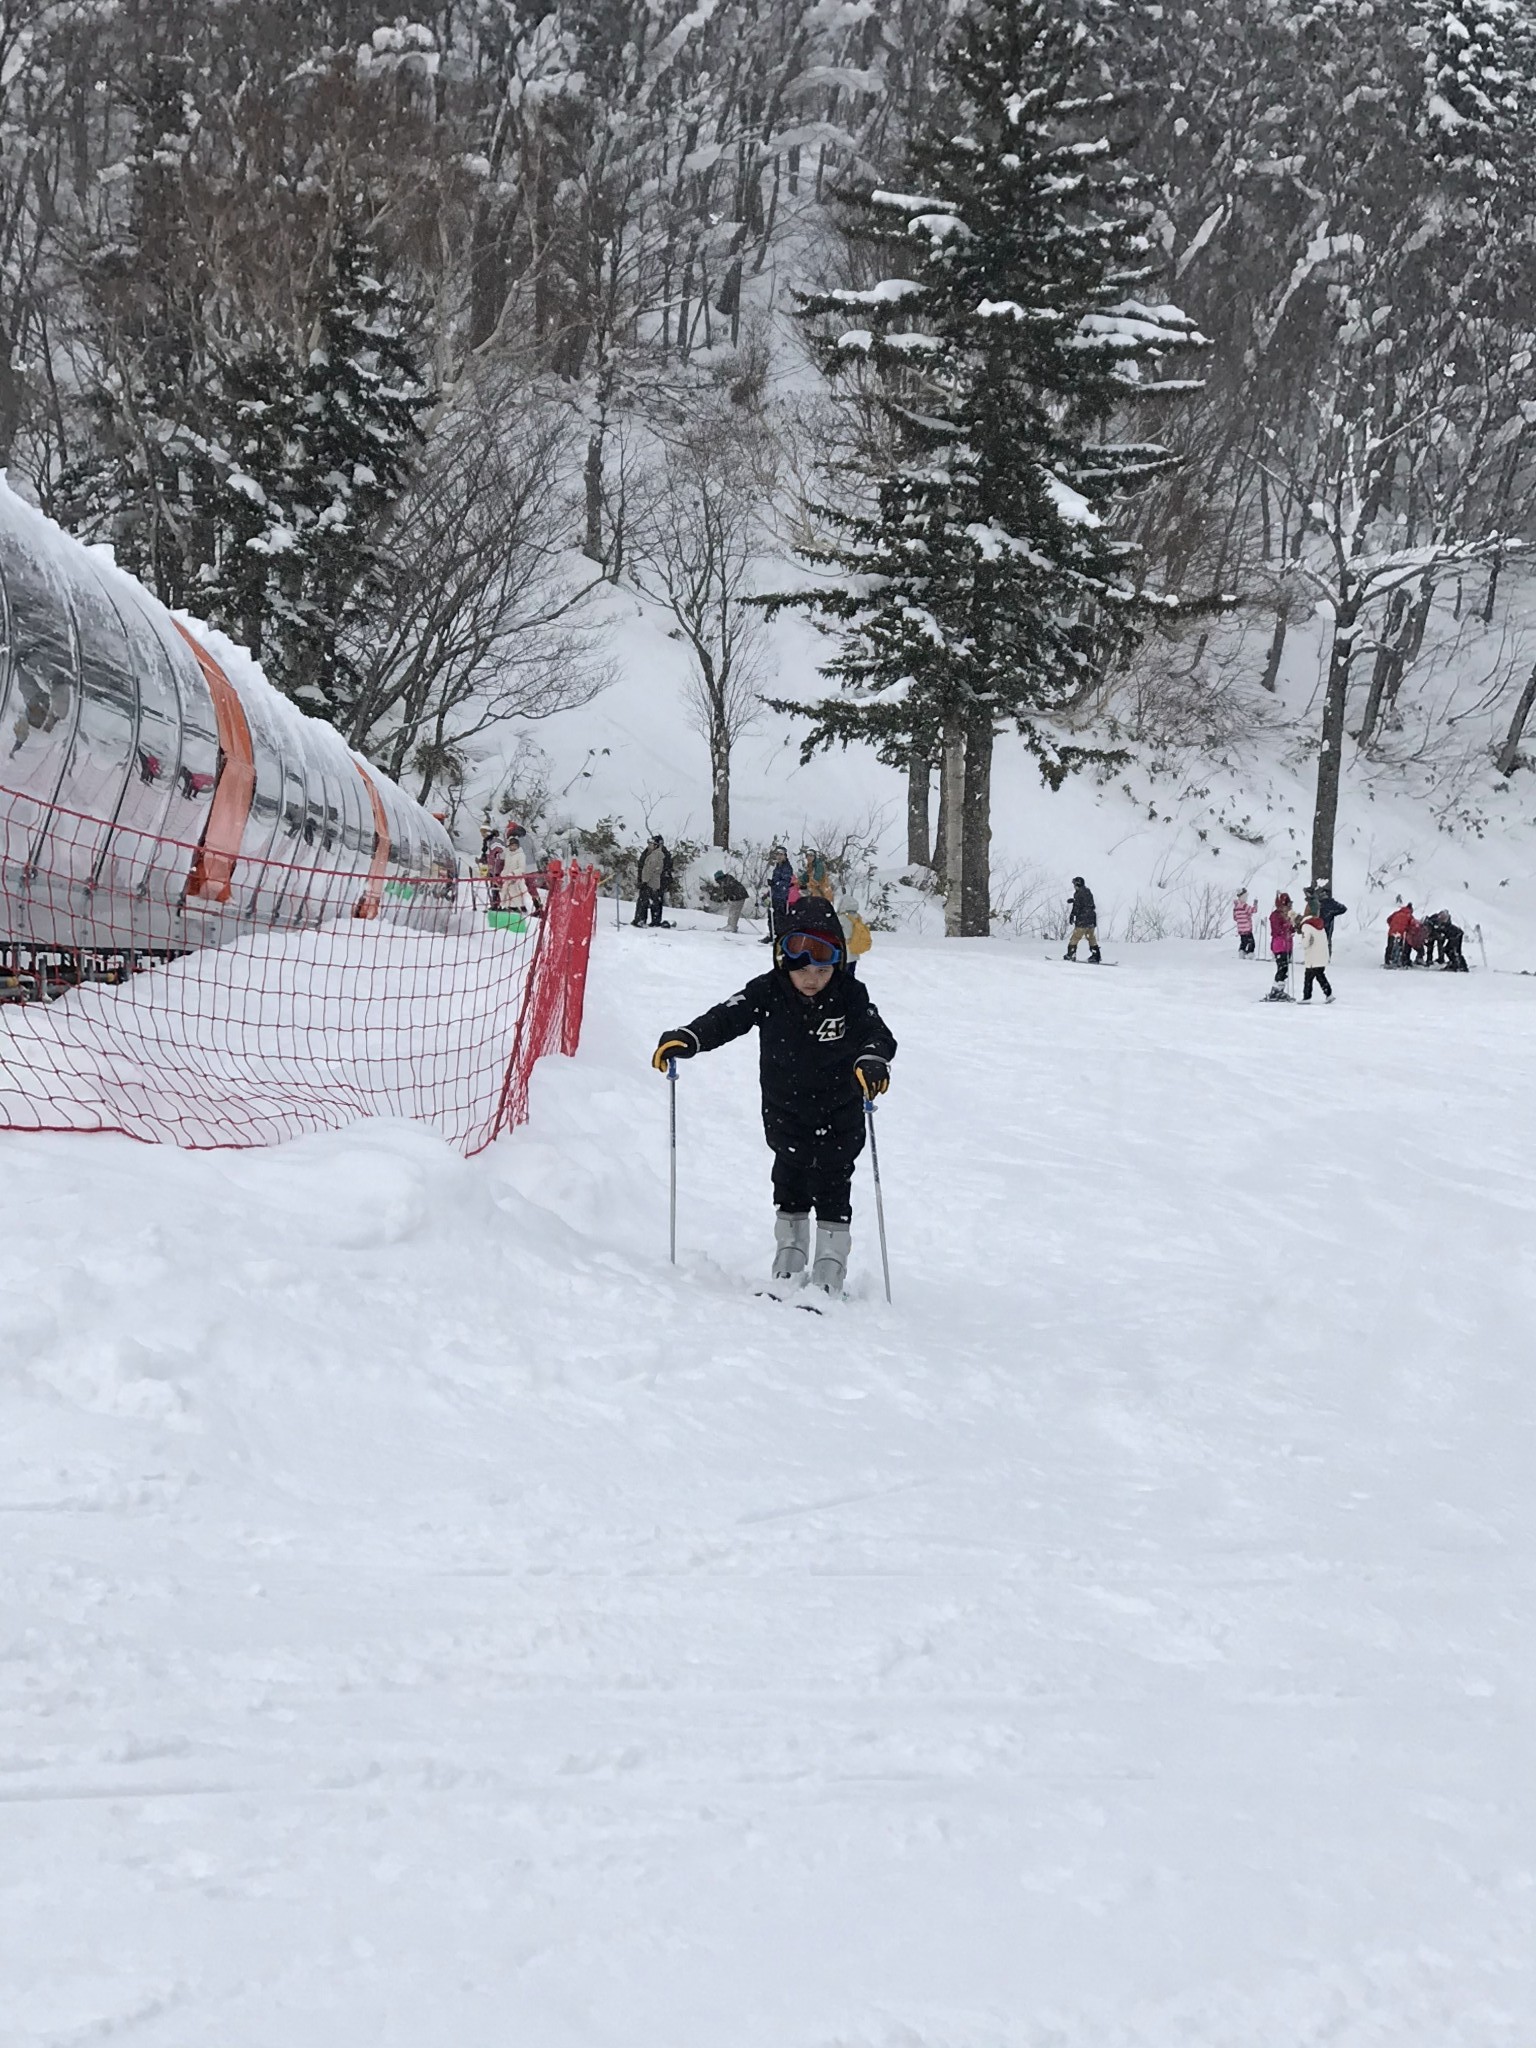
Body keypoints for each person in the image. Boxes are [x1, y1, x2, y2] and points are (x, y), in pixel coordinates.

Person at [651, 896, 896, 1298]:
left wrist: (872, 1059)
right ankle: (789, 1259)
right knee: (789, 1181)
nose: (812, 979)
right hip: (786, 1112)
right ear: (783, 960)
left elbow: (879, 1035)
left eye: (822, 969)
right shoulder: (768, 991)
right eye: (803, 970)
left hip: (840, 1112)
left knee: (834, 1186)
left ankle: (830, 1267)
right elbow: (727, 1017)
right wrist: (690, 1037)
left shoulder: (850, 996)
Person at [1267, 891, 1298, 999]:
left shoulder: (1287, 916)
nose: (1289, 908)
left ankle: (1280, 989)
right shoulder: (1275, 916)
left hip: (1287, 945)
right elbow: (1278, 930)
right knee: (1282, 968)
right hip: (1279, 945)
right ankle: (1275, 990)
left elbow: (1290, 929)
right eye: (1287, 905)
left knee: (1285, 969)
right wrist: (1288, 924)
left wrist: (1294, 926)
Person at [1300, 907, 1334, 1003]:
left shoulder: (1306, 926)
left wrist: (1302, 941)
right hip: (1322, 955)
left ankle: (1307, 997)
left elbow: (1306, 943)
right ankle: (1328, 994)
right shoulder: (1320, 924)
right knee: (1320, 975)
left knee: (1308, 977)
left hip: (1313, 957)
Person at [634, 834, 668, 928]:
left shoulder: (655, 855)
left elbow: (648, 870)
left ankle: (640, 920)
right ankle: (652, 920)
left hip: (650, 883)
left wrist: (644, 881)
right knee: (653, 901)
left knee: (644, 901)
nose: (649, 846)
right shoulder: (654, 854)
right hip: (653, 883)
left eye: (651, 844)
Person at [1064, 876, 1100, 963]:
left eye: (1074, 884)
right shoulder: (1088, 892)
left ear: (1077, 884)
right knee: (1091, 937)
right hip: (1091, 919)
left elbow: (1078, 906)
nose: (1073, 886)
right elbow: (1087, 903)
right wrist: (1074, 900)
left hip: (1083, 919)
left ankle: (1071, 954)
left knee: (1075, 937)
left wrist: (1072, 914)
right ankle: (1096, 955)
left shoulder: (1078, 893)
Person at [764, 847, 795, 943]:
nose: (779, 856)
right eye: (777, 854)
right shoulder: (777, 867)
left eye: (781, 854)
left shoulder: (787, 867)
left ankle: (779, 937)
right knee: (771, 916)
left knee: (779, 917)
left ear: (785, 856)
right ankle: (772, 934)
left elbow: (786, 882)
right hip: (774, 895)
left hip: (781, 896)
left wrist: (775, 883)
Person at [713, 868, 749, 933]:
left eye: (717, 880)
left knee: (734, 911)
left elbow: (735, 890)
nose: (717, 882)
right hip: (738, 897)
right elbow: (727, 892)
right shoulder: (726, 881)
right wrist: (726, 898)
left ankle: (732, 926)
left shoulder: (728, 881)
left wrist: (733, 896)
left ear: (720, 878)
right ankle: (731, 925)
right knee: (732, 911)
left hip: (739, 897)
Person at [1385, 901, 1415, 968]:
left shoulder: (1397, 913)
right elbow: (1412, 925)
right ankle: (1398, 960)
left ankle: (1387, 961)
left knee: (1390, 946)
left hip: (1392, 931)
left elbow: (1388, 919)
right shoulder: (1409, 915)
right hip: (1400, 933)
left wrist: (1392, 925)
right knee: (1400, 947)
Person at [1232, 887, 1258, 956]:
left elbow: (1235, 918)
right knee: (1251, 942)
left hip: (1240, 929)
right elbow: (1253, 910)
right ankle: (1250, 953)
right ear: (1242, 897)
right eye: (1245, 896)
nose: (1246, 898)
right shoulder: (1244, 906)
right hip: (1247, 929)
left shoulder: (1235, 907)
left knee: (1243, 942)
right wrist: (1255, 904)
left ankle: (1241, 952)